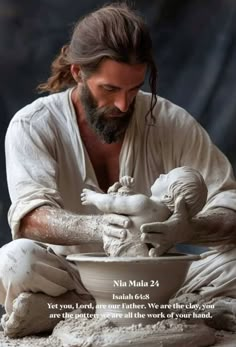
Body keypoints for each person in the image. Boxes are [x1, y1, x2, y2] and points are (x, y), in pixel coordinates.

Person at [1, 2, 236, 338]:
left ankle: (65, 312)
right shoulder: (34, 125)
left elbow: (229, 203)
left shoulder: (169, 121)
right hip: (75, 278)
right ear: (78, 73)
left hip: (157, 278)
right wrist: (100, 227)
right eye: (109, 90)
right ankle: (179, 310)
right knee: (14, 261)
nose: (124, 105)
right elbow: (30, 217)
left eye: (133, 89)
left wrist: (184, 228)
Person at [81, 167, 208, 257]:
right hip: (142, 258)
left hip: (123, 252)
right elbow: (128, 205)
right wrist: (125, 189)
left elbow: (110, 203)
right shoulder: (165, 218)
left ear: (167, 197)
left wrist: (92, 197)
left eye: (166, 177)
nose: (162, 175)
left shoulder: (143, 203)